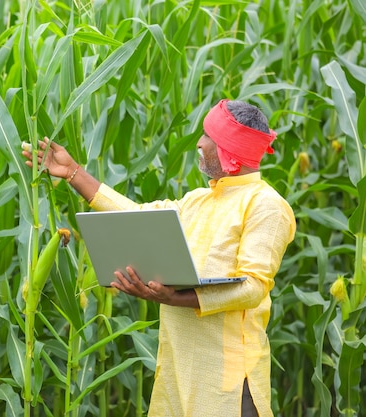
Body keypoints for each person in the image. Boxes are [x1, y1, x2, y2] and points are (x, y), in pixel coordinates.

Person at [23, 99, 296, 417]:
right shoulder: (199, 199)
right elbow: (138, 217)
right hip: (177, 373)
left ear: (230, 152)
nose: (199, 142)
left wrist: (175, 297)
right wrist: (72, 172)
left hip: (228, 382)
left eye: (209, 137)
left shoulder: (266, 205)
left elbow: (252, 288)